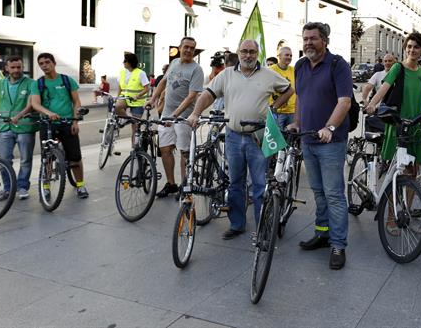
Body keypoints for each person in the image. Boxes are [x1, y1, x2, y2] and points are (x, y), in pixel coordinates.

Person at [188, 39, 293, 240]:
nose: (248, 55)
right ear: (238, 52)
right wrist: (195, 113)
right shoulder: (227, 74)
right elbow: (208, 94)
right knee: (235, 183)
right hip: (233, 136)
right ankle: (237, 224)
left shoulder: (269, 75)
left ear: (258, 54)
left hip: (257, 136)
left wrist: (274, 106)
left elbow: (289, 89)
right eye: (244, 51)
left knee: (259, 185)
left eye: (252, 52)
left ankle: (263, 227)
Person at [290, 22, 352, 270]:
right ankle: (323, 233)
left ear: (324, 40)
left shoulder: (338, 65)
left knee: (334, 194)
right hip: (307, 139)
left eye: (313, 39)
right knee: (318, 192)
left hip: (331, 143)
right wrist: (296, 123)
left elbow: (345, 102)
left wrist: (329, 127)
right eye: (305, 38)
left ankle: (338, 244)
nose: (308, 43)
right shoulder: (300, 65)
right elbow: (300, 98)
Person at [145, 37, 204, 198]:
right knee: (165, 149)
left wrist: (175, 115)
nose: (189, 50)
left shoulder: (196, 69)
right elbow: (163, 82)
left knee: (185, 152)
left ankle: (185, 186)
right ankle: (171, 184)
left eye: (192, 48)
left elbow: (192, 96)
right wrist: (153, 99)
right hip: (167, 115)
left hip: (184, 117)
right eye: (186, 47)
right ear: (180, 47)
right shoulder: (174, 63)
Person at [366, 32, 421, 172]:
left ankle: (408, 193)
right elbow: (384, 88)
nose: (412, 50)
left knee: (413, 170)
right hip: (399, 123)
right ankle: (393, 193)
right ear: (405, 48)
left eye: (416, 47)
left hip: (415, 125)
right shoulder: (397, 67)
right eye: (409, 46)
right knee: (397, 170)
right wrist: (372, 104)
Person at [30, 52, 89, 199]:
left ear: (54, 63)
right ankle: (46, 186)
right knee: (47, 157)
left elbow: (76, 102)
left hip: (67, 123)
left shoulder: (67, 80)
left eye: (47, 62)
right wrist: (48, 113)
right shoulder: (38, 83)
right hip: (47, 124)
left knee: (75, 157)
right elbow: (35, 104)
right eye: (41, 64)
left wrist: (75, 121)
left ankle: (80, 185)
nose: (45, 65)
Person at [0, 56, 38, 200]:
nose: (16, 70)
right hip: (5, 126)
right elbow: (2, 103)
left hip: (25, 127)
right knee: (3, 160)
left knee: (25, 160)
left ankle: (22, 186)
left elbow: (32, 104)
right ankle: (8, 188)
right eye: (13, 67)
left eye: (19, 67)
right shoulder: (1, 83)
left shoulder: (31, 83)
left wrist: (19, 116)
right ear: (6, 68)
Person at [269, 47, 297, 129]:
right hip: (277, 112)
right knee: (278, 137)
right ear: (279, 56)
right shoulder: (271, 70)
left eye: (291, 56)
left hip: (292, 111)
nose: (289, 57)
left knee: (292, 138)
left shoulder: (294, 70)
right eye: (287, 55)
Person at [116, 52, 149, 118]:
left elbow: (147, 88)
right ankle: (127, 119)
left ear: (130, 62)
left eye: (125, 61)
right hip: (125, 98)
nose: (123, 62)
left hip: (137, 101)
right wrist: (117, 97)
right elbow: (120, 86)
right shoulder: (122, 72)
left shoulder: (141, 73)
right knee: (117, 107)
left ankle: (133, 123)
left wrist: (138, 95)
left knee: (135, 124)